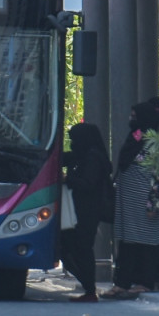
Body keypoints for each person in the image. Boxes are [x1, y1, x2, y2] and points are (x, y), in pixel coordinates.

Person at [103, 101, 159, 299]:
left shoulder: (156, 143)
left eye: (134, 116)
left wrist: (152, 204)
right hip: (130, 203)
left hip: (147, 202)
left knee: (148, 245)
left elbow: (158, 175)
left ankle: (145, 283)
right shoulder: (135, 139)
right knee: (128, 244)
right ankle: (122, 283)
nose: (130, 119)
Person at [60, 123, 113, 303]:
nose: (73, 142)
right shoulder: (84, 155)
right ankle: (88, 287)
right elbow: (66, 158)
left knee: (81, 248)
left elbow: (88, 183)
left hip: (88, 211)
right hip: (82, 210)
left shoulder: (93, 158)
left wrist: (69, 179)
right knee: (75, 247)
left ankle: (90, 289)